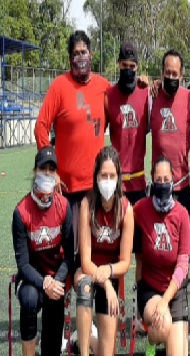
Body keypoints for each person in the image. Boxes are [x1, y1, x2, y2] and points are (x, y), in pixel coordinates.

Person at [35, 30, 110, 252]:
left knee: (97, 253)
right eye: (76, 53)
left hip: (97, 188)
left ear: (91, 54)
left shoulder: (104, 87)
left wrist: (145, 82)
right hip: (67, 190)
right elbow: (41, 126)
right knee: (69, 254)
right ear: (70, 58)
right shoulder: (59, 86)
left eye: (84, 52)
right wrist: (50, 171)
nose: (80, 57)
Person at [12, 147, 74, 356]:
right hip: (32, 281)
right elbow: (23, 264)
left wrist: (56, 280)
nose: (47, 174)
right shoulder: (21, 212)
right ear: (35, 171)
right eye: (42, 169)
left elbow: (70, 257)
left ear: (56, 175)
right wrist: (44, 282)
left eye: (51, 170)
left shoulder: (64, 207)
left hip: (55, 282)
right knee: (28, 300)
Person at [73, 146, 134, 356]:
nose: (107, 181)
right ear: (96, 177)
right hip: (87, 273)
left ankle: (81, 339)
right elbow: (85, 261)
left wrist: (108, 275)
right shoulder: (87, 205)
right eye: (103, 175)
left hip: (108, 274)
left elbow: (125, 263)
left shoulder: (126, 209)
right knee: (85, 287)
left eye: (112, 176)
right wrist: (107, 283)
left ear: (118, 177)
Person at [133, 156, 190, 356]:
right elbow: (124, 219)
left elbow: (183, 263)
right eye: (158, 179)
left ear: (173, 180)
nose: (163, 184)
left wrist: (166, 299)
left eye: (166, 179)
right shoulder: (141, 208)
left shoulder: (182, 214)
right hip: (151, 289)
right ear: (152, 179)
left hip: (175, 290)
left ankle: (164, 336)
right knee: (163, 323)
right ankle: (151, 343)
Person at [150, 49, 190, 260]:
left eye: (174, 74)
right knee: (156, 249)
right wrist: (145, 81)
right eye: (167, 73)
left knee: (187, 251)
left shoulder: (189, 98)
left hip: (182, 187)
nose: (170, 77)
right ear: (161, 73)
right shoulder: (152, 98)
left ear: (181, 75)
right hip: (159, 187)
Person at [105, 42, 149, 205]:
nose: (128, 69)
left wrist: (155, 83)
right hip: (116, 183)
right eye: (124, 65)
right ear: (119, 64)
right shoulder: (109, 96)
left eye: (132, 66)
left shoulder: (146, 93)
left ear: (137, 67)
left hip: (139, 182)